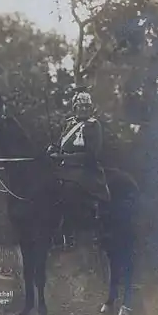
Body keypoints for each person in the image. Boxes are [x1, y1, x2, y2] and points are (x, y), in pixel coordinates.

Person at [47, 87, 110, 246]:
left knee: (69, 189)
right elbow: (60, 142)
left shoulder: (94, 126)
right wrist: (52, 149)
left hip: (85, 169)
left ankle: (69, 233)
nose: (83, 109)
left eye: (86, 107)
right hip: (65, 167)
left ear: (91, 108)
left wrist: (64, 157)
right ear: (74, 108)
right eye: (80, 106)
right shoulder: (69, 123)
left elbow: (92, 154)